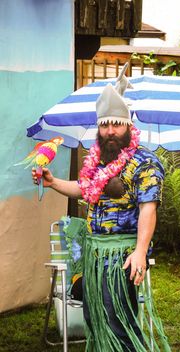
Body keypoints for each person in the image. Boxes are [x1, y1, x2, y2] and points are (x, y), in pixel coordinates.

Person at [32, 78, 171, 352]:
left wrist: (140, 252)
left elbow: (148, 209)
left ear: (129, 126)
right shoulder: (98, 162)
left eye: (116, 123)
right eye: (104, 124)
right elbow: (84, 188)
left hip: (122, 257)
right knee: (96, 321)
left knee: (118, 324)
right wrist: (53, 182)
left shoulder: (145, 163)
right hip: (94, 256)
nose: (110, 131)